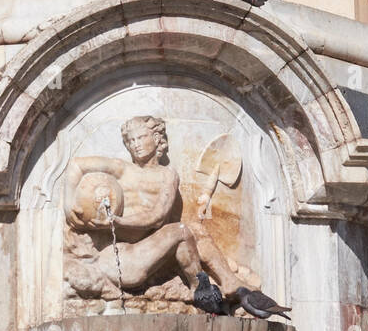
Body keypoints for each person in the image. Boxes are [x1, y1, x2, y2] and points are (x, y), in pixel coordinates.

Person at [63, 115, 249, 298]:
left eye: (141, 137)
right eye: (131, 140)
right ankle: (200, 292)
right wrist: (68, 204)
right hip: (120, 259)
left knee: (195, 229)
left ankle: (230, 282)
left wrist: (118, 221)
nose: (135, 144)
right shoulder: (122, 169)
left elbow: (158, 217)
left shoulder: (167, 175)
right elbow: (76, 165)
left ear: (157, 139)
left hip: (147, 252)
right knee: (181, 231)